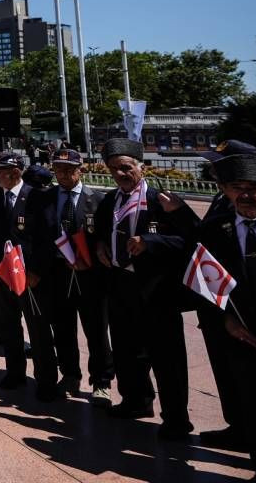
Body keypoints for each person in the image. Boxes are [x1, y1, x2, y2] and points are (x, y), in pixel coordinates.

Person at [194, 154, 256, 478]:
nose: (246, 195)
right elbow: (204, 287)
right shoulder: (214, 233)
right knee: (254, 408)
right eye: (237, 187)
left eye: (254, 187)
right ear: (225, 191)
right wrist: (226, 321)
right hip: (242, 339)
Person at [93, 138, 194, 439]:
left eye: (126, 167)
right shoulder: (109, 201)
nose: (120, 174)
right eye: (113, 169)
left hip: (156, 289)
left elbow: (190, 240)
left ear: (141, 167)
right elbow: (100, 232)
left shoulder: (162, 201)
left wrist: (150, 242)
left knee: (166, 356)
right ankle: (136, 400)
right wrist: (100, 245)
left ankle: (176, 418)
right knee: (126, 349)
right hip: (121, 283)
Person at [24, 148, 113, 404]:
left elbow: (104, 238)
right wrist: (35, 268)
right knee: (63, 328)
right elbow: (35, 237)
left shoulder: (97, 200)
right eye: (58, 169)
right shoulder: (44, 198)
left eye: (69, 169)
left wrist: (92, 257)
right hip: (56, 272)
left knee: (96, 329)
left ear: (80, 170)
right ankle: (70, 374)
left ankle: (101, 381)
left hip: (88, 274)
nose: (63, 174)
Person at [0, 151, 36, 390]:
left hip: (29, 277)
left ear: (15, 172)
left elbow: (43, 238)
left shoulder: (35, 197)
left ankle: (45, 378)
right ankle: (15, 372)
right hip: (0, 274)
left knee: (37, 328)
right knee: (8, 326)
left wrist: (36, 272)